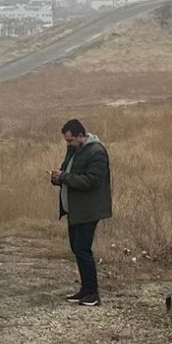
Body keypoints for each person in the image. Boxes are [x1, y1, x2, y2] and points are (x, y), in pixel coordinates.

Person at [49, 119, 112, 306]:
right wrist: (57, 178)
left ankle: (92, 294)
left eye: (70, 141)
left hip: (88, 210)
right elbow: (67, 173)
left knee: (83, 250)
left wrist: (65, 177)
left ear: (80, 136)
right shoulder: (74, 150)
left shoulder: (97, 152)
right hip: (74, 209)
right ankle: (85, 290)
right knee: (77, 249)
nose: (68, 144)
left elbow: (91, 181)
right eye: (66, 141)